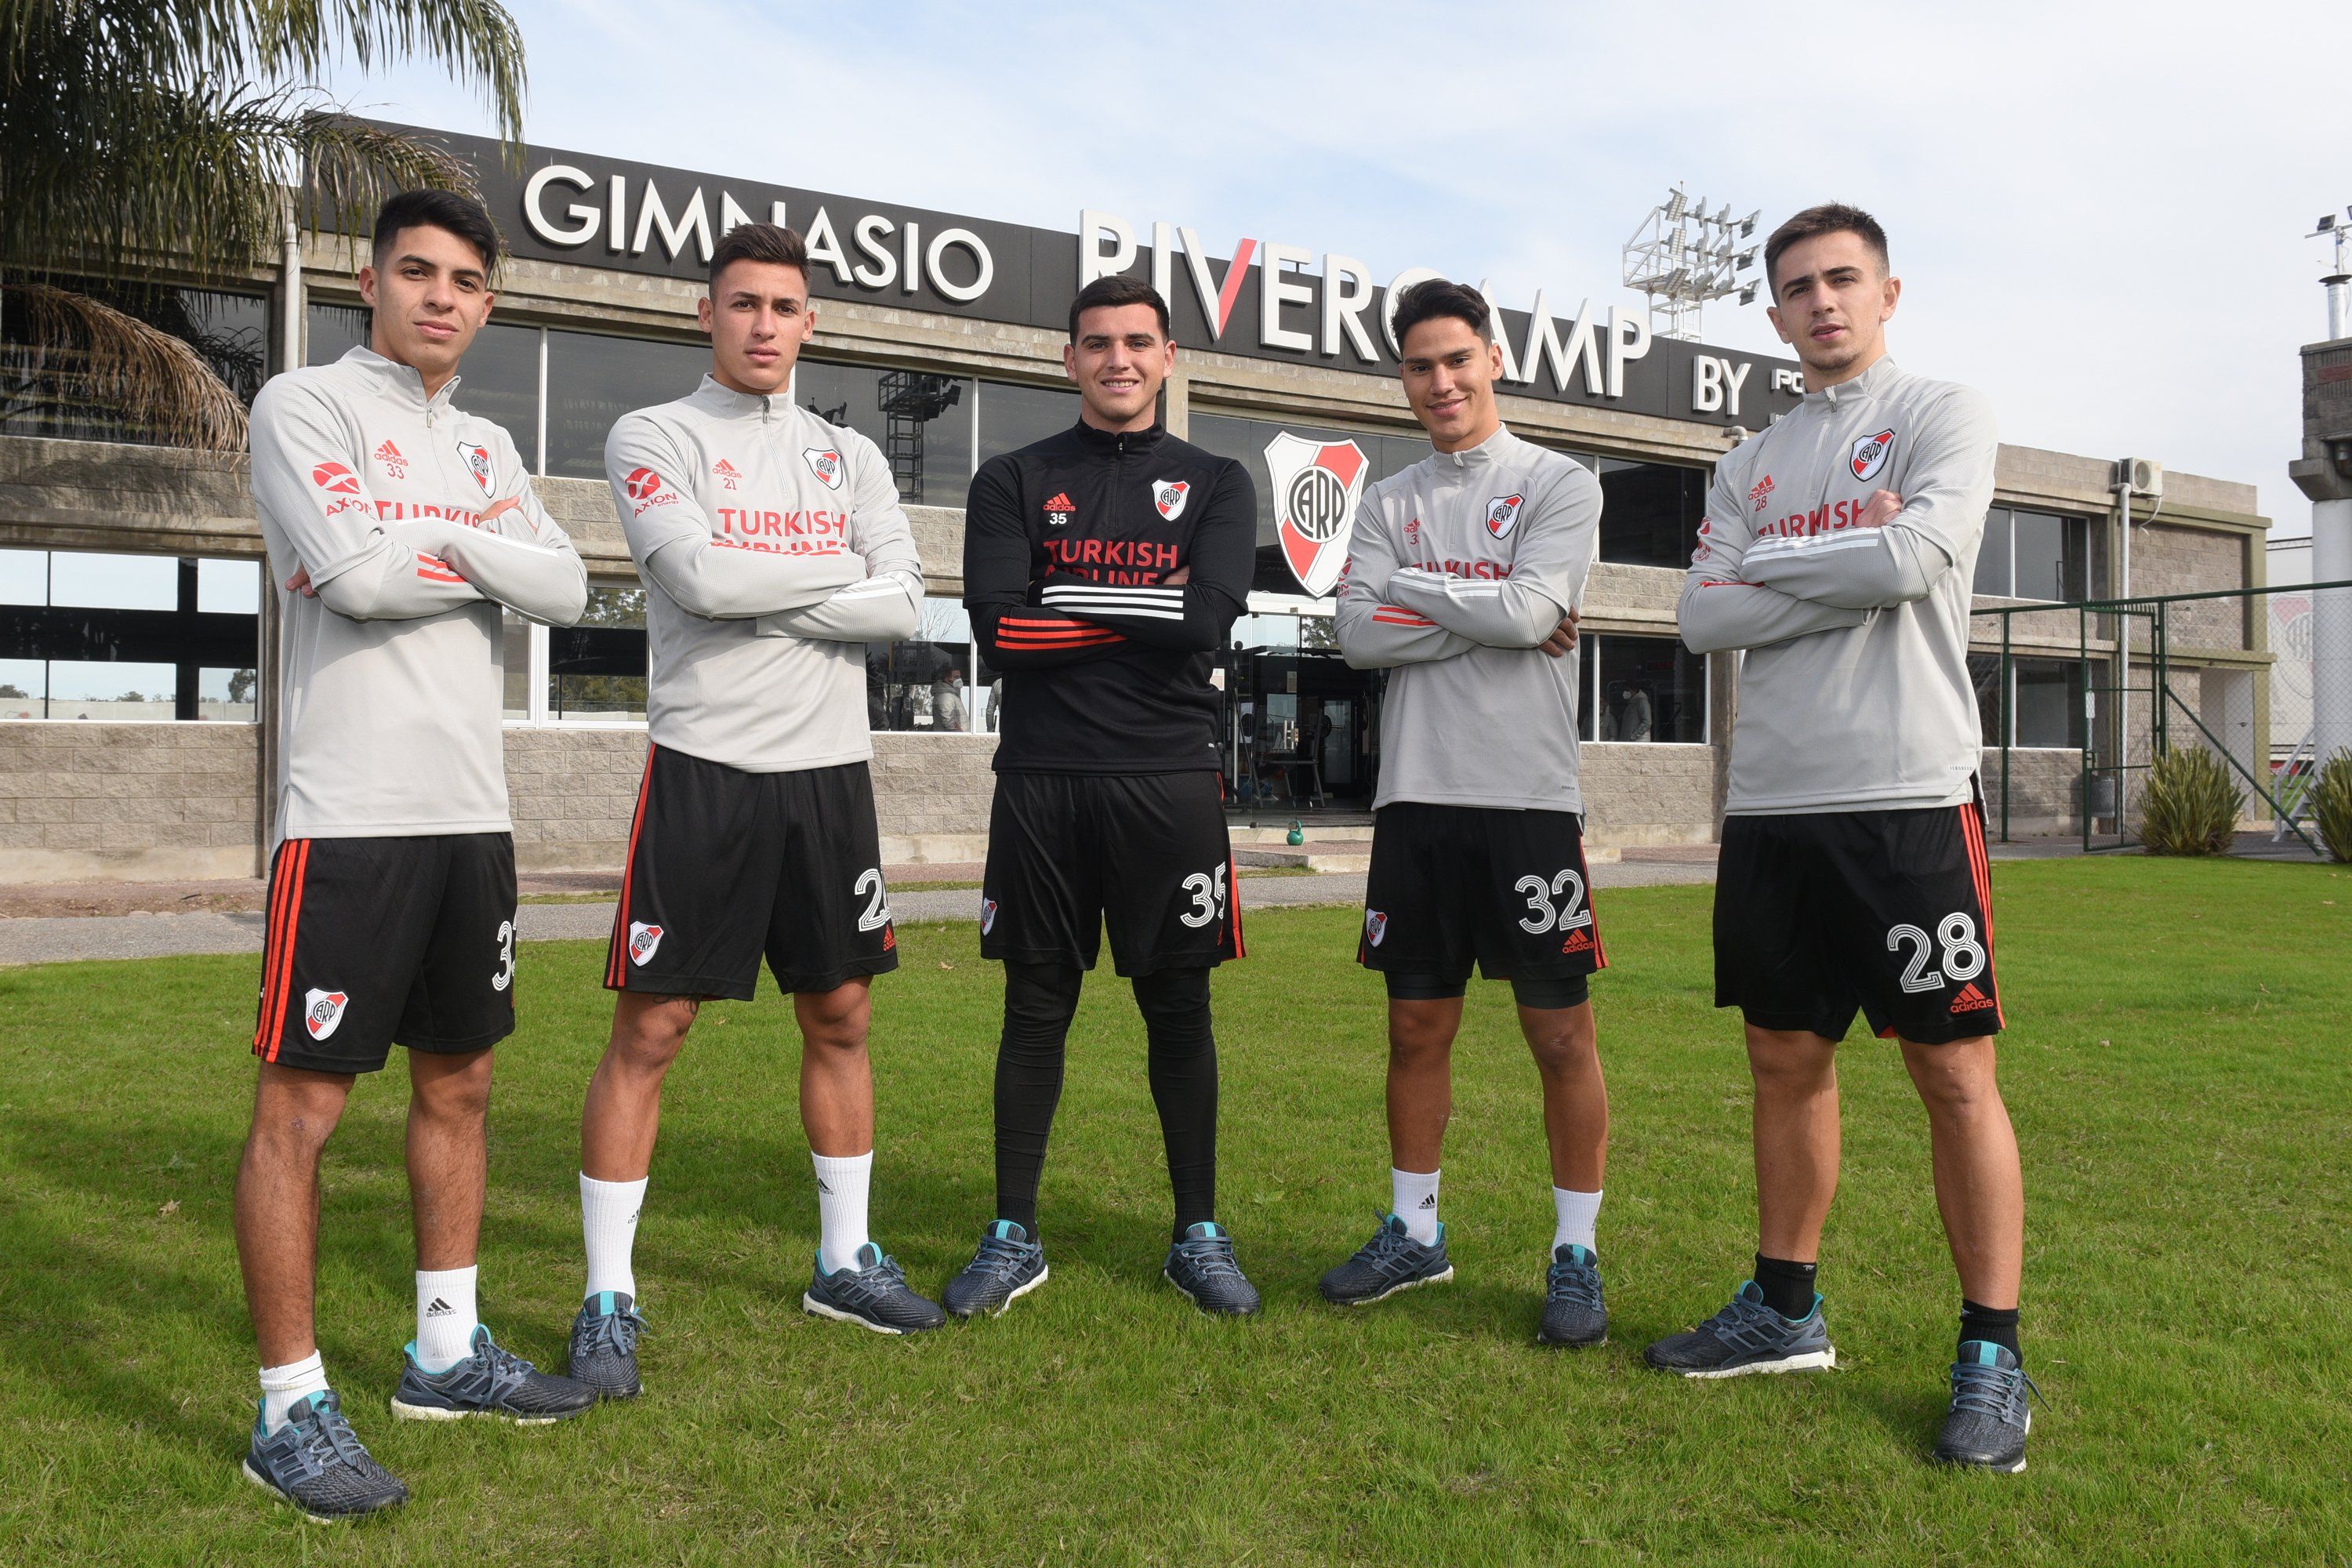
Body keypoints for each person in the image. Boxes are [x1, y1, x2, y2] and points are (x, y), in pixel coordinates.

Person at [1655, 203, 2031, 1473]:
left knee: (1952, 1074)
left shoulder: (1942, 413)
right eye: (1800, 287)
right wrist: (1838, 556)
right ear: (1774, 315)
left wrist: (1775, 568)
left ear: (1887, 293)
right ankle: (1784, 1309)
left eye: (1843, 279)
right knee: (1783, 1060)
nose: (1822, 301)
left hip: (1909, 794)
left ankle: (1991, 1354)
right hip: (1773, 804)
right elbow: (1700, 617)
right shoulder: (1747, 463)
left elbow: (1915, 561)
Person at [236, 189, 593, 1520]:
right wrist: (481, 553)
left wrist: (428, 540)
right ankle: (288, 1410)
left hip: (469, 817)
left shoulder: (489, 443)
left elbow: (573, 589)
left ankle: (445, 1355)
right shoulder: (304, 406)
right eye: (418, 272)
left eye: (466, 281)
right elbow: (356, 577)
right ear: (371, 283)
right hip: (348, 820)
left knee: (463, 1087)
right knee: (302, 1114)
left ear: (488, 305)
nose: (442, 297)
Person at [568, 221, 941, 1397]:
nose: (763, 325)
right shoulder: (655, 436)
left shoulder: (851, 456)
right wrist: (835, 580)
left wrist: (756, 589)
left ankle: (845, 1262)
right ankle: (608, 1296)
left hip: (829, 774)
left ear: (809, 323)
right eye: (743, 303)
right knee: (653, 1030)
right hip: (705, 767)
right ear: (707, 313)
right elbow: (694, 579)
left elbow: (907, 607)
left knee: (841, 1014)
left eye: (784, 307)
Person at [946, 275, 1261, 1317]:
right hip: (1042, 781)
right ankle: (1012, 1235)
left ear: (1168, 357)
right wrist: (1147, 610)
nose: (1117, 359)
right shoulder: (1013, 478)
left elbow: (1208, 620)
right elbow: (1001, 632)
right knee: (1035, 1007)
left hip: (1169, 779)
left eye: (1136, 341)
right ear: (1069, 358)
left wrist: (1069, 603)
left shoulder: (1217, 482)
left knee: (1180, 1008)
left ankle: (1198, 1235)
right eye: (1096, 343)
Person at [1320, 278, 1611, 1346]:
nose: (1440, 381)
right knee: (1415, 1027)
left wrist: (1421, 593)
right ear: (1402, 378)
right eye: (1419, 366)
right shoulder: (1387, 499)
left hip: (1528, 799)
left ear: (1493, 358)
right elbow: (1357, 636)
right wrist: (1495, 614)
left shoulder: (1558, 482)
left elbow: (1534, 612)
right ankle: (1415, 1233)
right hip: (1417, 799)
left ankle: (1575, 1253)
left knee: (1560, 1033)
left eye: (1456, 359)